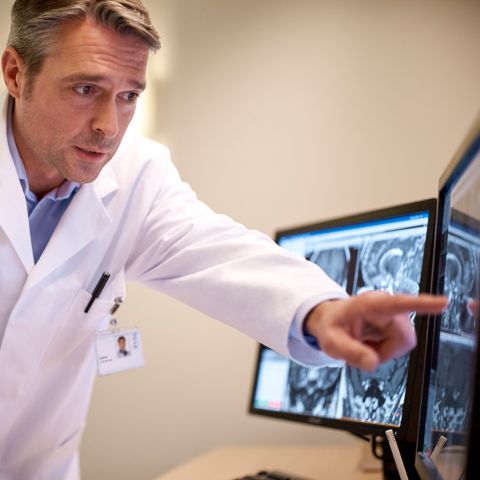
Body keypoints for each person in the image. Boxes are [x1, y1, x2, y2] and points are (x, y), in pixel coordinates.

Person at [0, 1, 447, 478]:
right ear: (14, 73)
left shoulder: (136, 176)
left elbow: (220, 253)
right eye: (86, 89)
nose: (109, 126)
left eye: (129, 95)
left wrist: (321, 310)